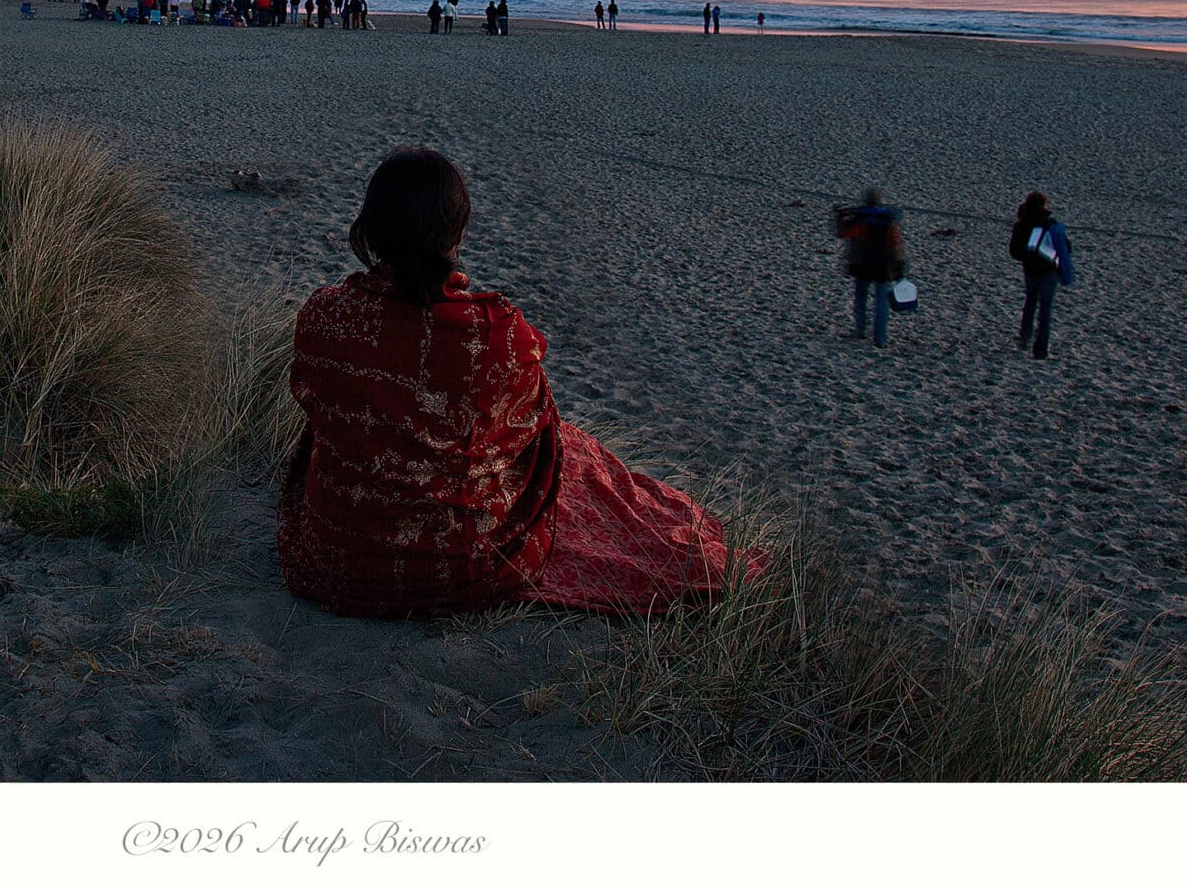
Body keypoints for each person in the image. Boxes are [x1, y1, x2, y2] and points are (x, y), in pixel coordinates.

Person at [278, 148, 750, 617]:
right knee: (563, 443)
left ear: (370, 231)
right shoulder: (497, 333)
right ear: (457, 236)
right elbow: (534, 430)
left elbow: (316, 405)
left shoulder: (326, 318)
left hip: (337, 562)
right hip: (471, 570)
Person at [1010, 191, 1074, 359]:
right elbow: (1066, 247)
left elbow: (1014, 251)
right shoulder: (1049, 223)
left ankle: (1024, 338)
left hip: (1030, 271)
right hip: (1048, 272)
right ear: (1044, 204)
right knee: (1045, 310)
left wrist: (1028, 257)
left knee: (1029, 303)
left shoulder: (1021, 223)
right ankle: (1040, 349)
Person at [839, 187, 906, 345]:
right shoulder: (887, 220)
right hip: (882, 265)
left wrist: (842, 217)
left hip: (862, 264)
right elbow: (895, 245)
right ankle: (880, 338)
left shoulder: (860, 218)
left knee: (861, 298)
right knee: (881, 302)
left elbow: (843, 233)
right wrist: (899, 266)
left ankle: (860, 330)